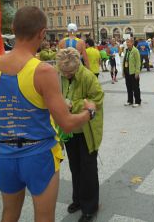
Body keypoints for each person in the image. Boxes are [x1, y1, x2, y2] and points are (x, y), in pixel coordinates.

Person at [0, 6, 93, 222]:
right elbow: (67, 123)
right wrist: (89, 112)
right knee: (44, 217)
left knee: (9, 214)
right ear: (43, 33)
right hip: (39, 155)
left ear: (13, 29)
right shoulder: (43, 71)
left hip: (4, 154)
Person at [56, 48, 104, 222]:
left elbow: (97, 100)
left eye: (69, 72)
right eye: (63, 72)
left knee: (88, 169)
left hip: (87, 131)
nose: (66, 75)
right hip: (70, 130)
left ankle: (90, 207)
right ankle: (78, 199)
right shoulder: (60, 74)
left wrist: (71, 105)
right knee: (75, 167)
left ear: (77, 67)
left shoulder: (88, 77)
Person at [122, 38, 141, 107]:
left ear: (132, 43)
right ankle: (130, 100)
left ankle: (138, 101)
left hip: (133, 72)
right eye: (127, 42)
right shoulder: (126, 50)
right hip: (127, 72)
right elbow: (124, 61)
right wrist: (123, 71)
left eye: (129, 42)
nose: (127, 44)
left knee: (135, 87)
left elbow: (138, 62)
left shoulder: (135, 51)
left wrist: (137, 72)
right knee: (128, 87)